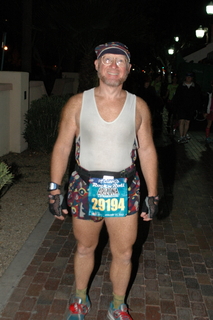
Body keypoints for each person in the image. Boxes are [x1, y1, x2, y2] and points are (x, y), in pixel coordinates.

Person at [48, 42, 158, 320]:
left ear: (128, 69)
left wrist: (153, 194)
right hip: (85, 186)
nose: (113, 65)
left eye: (120, 62)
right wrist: (54, 188)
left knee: (124, 252)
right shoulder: (77, 103)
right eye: (107, 60)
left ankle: (117, 305)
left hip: (125, 187)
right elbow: (62, 146)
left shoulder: (138, 106)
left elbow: (146, 150)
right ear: (96, 66)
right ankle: (80, 299)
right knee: (85, 247)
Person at [173, 72, 202, 144]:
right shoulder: (181, 86)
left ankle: (184, 135)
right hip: (181, 106)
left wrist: (197, 107)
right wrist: (175, 106)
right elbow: (177, 97)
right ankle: (181, 136)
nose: (188, 78)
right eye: (187, 77)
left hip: (190, 107)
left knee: (187, 121)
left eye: (190, 77)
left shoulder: (195, 87)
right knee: (181, 121)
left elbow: (198, 98)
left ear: (192, 78)